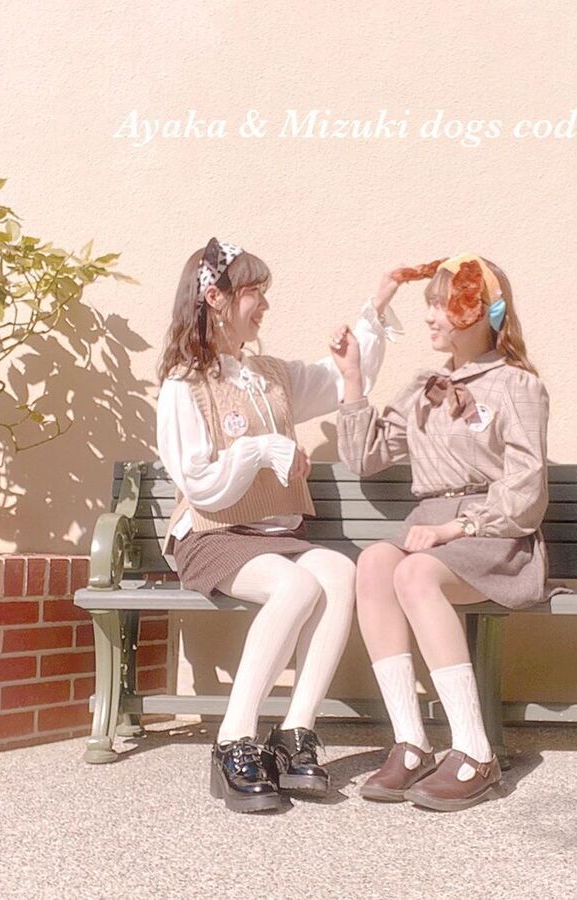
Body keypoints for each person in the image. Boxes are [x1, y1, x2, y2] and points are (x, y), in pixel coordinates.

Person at [155, 238, 402, 812]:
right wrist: (262, 449)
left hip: (272, 536)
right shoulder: (183, 386)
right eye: (254, 293)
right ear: (215, 298)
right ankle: (233, 740)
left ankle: (294, 734)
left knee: (337, 573)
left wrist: (376, 310)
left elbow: (338, 378)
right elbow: (199, 484)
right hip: (212, 534)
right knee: (295, 587)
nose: (264, 305)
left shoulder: (268, 375)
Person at [331, 252, 555, 811]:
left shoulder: (517, 386)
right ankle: (411, 743)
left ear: (479, 313)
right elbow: (365, 457)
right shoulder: (424, 387)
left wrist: (459, 526)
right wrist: (353, 380)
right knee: (375, 564)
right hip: (431, 532)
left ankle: (475, 751)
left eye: (441, 305)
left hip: (496, 536)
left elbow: (526, 488)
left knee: (413, 575)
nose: (429, 316)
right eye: (429, 304)